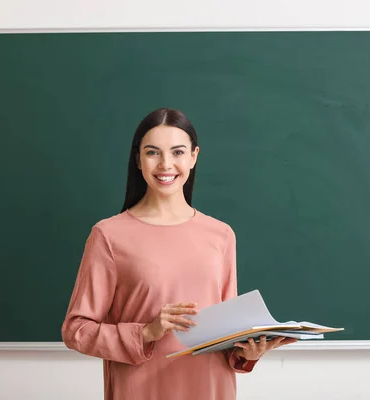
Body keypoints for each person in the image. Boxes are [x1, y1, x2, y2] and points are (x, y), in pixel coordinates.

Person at [61, 108, 296, 400]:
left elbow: (228, 332)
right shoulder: (108, 235)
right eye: (152, 153)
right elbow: (76, 330)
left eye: (177, 152)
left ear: (193, 157)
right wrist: (146, 332)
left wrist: (247, 351)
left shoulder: (221, 235)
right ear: (138, 159)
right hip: (141, 389)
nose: (166, 164)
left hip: (210, 388)